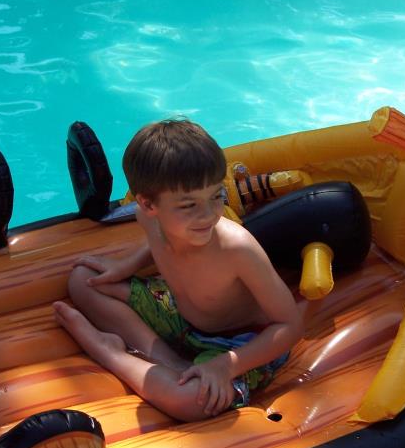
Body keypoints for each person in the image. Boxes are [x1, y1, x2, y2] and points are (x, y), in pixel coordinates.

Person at [54, 118, 303, 422]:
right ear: (148, 205)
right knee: (83, 278)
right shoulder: (147, 219)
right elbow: (158, 242)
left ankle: (110, 353)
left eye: (216, 196)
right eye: (189, 205)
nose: (209, 214)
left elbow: (290, 326)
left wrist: (225, 366)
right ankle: (167, 359)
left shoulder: (237, 248)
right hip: (179, 315)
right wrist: (126, 265)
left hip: (240, 344)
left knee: (192, 400)